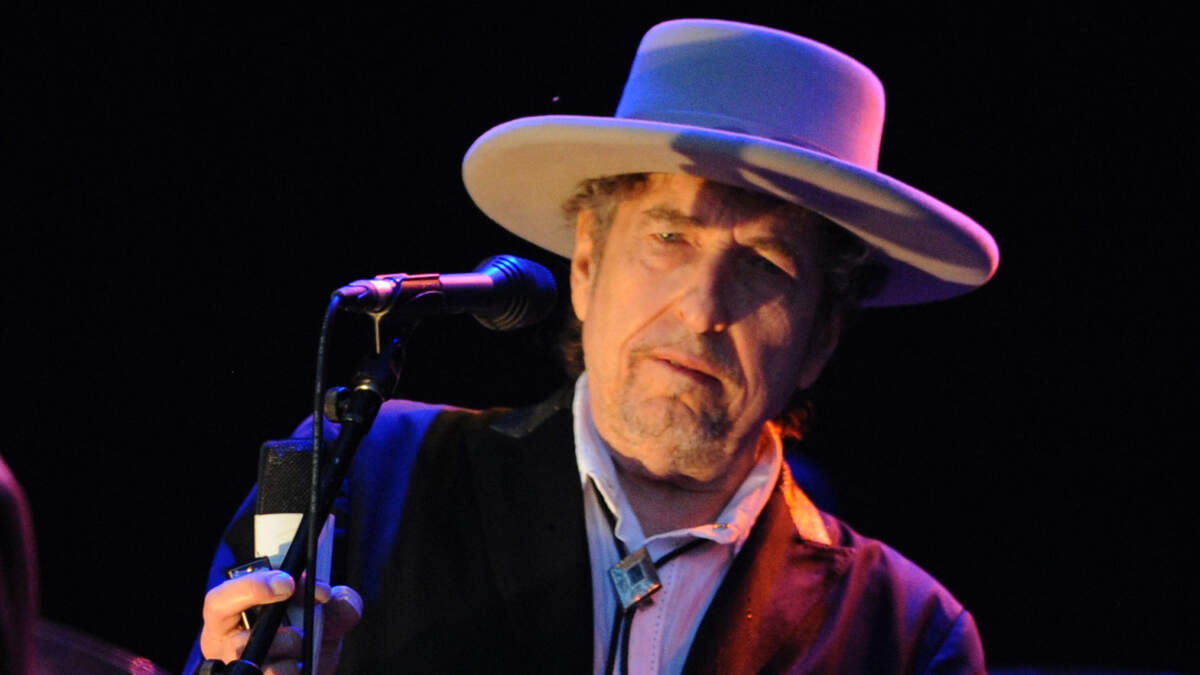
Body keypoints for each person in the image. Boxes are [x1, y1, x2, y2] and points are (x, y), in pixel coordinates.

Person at [188, 18, 998, 674]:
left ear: (821, 334)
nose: (702, 308)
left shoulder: (908, 635)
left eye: (764, 264)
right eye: (669, 237)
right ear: (585, 264)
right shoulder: (365, 473)